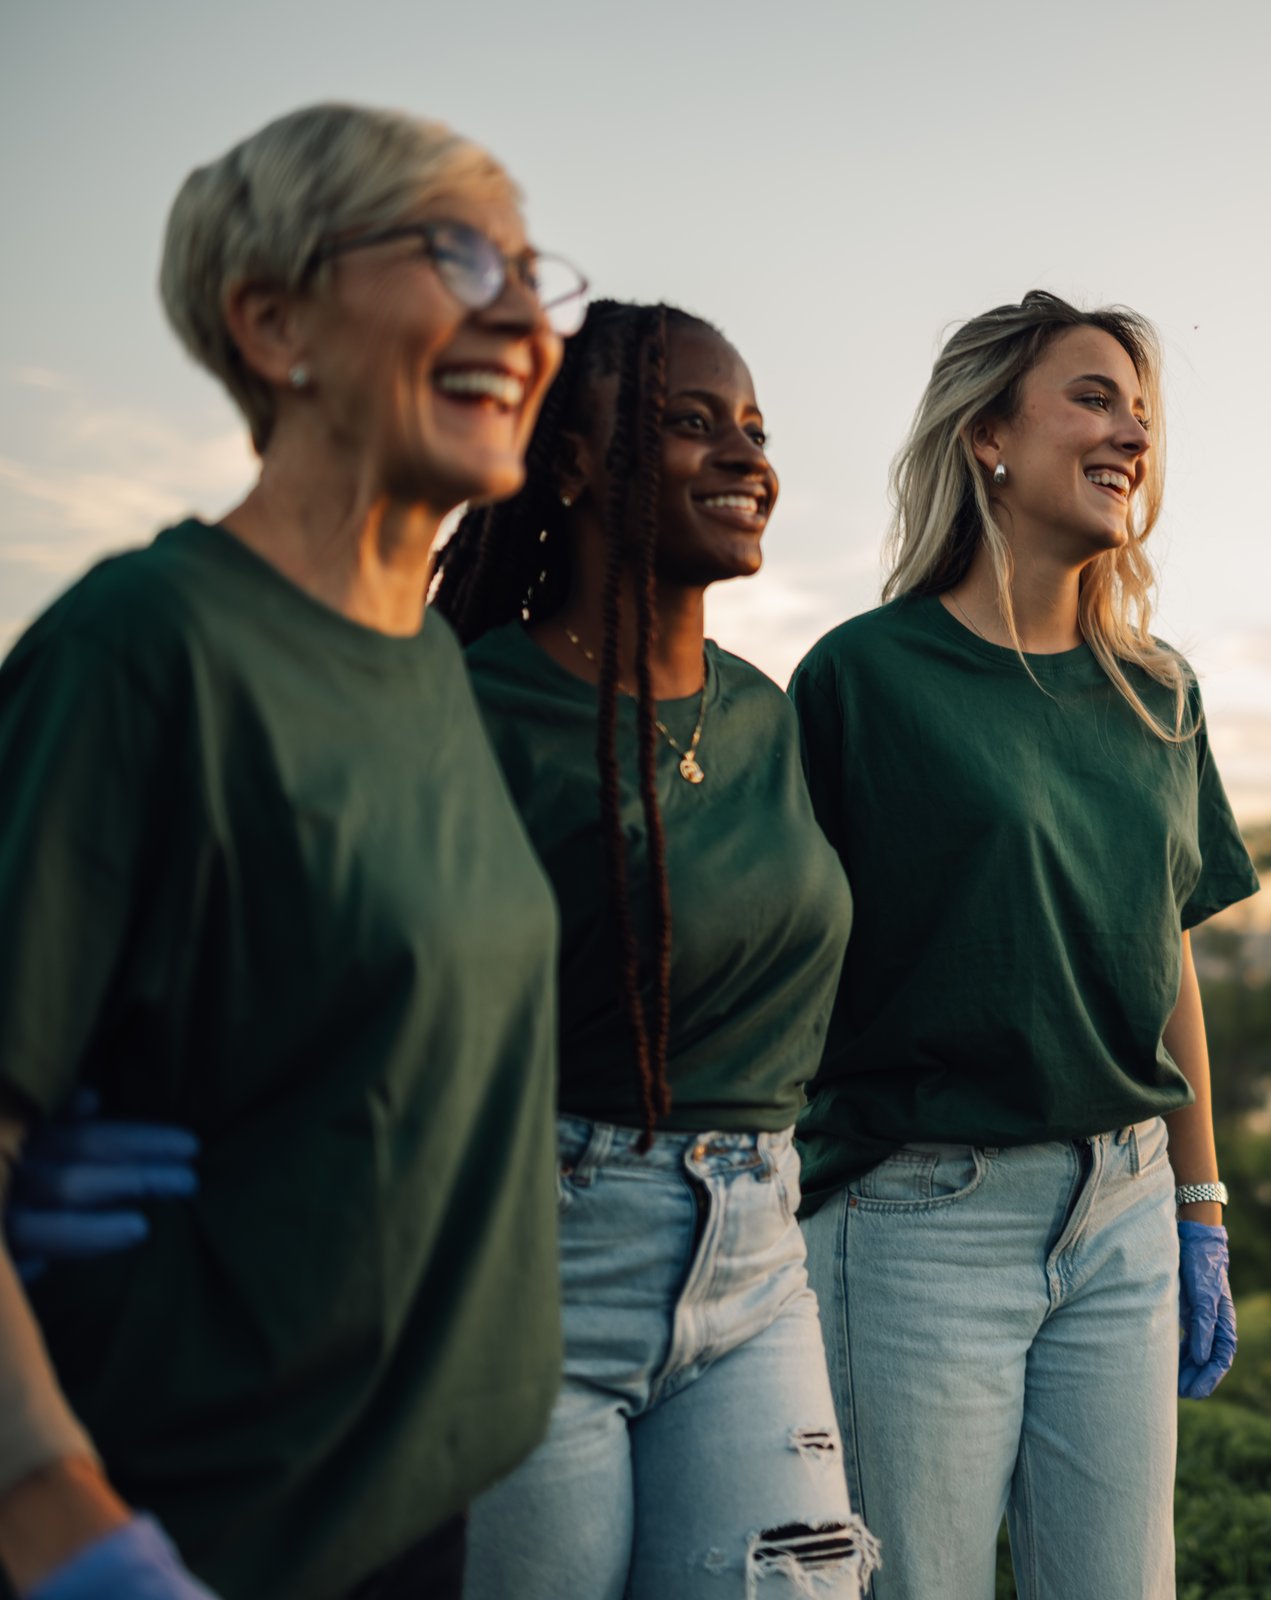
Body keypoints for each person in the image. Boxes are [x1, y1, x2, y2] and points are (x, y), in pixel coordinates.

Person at [0, 104, 581, 1600]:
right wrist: (61, 1522)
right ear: (273, 322)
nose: (522, 317)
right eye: (458, 255)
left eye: (531, 272)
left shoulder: (433, 672)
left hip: (407, 1520)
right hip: (194, 1535)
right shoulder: (148, 647)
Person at [789, 291, 1254, 1600]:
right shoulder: (864, 680)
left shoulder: (1156, 689)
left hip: (1122, 1217)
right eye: (1094, 397)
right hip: (917, 1220)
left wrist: (1198, 1201)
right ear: (987, 434)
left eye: (1144, 413)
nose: (1130, 435)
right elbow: (777, 959)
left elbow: (1161, 951)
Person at [429, 300, 876, 1599]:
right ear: (571, 465)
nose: (747, 459)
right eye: (692, 426)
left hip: (757, 1260)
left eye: (754, 430)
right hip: (537, 1261)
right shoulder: (476, 710)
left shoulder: (766, 718)